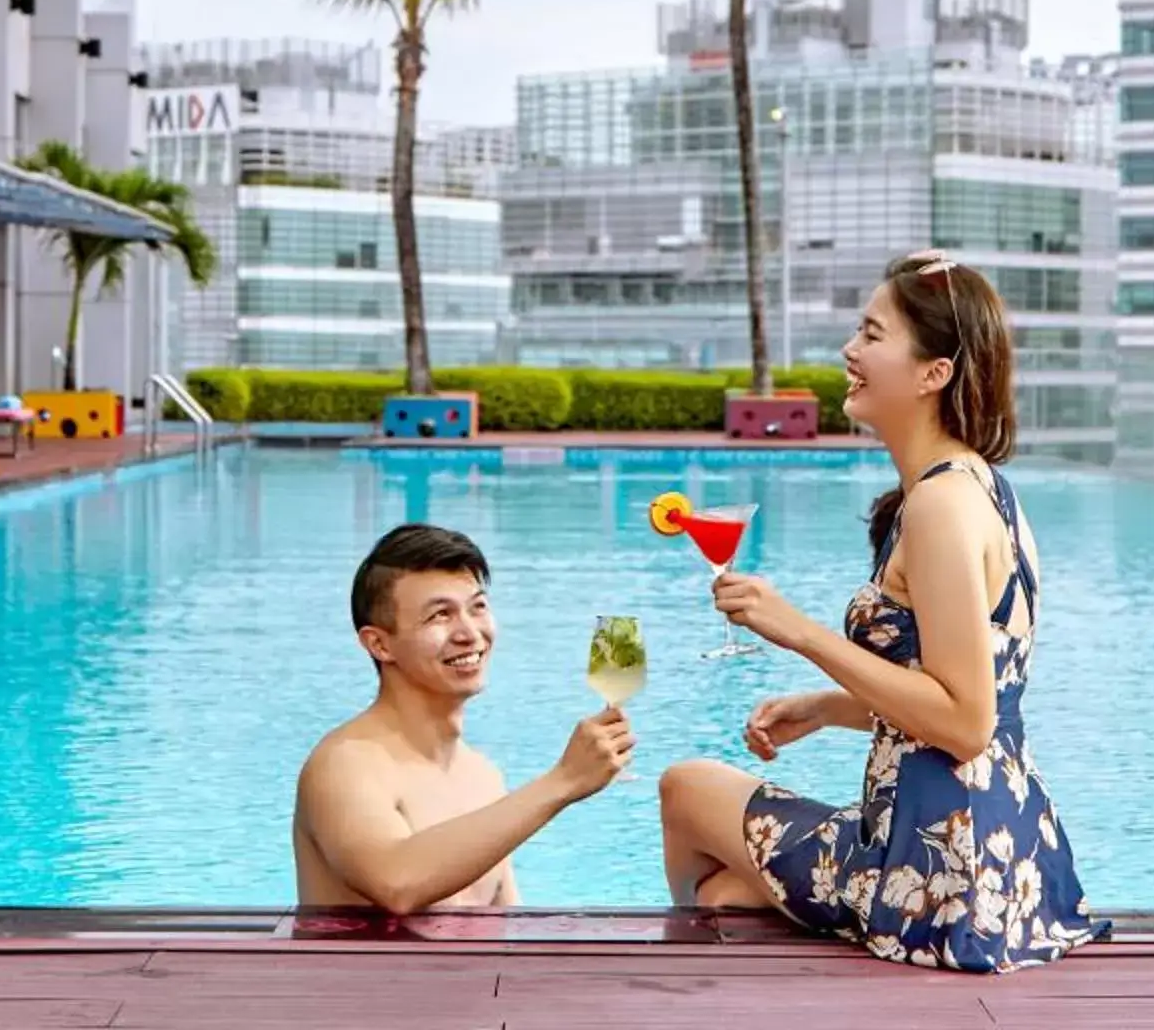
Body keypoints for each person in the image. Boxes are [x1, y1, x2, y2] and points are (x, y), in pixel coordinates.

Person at [655, 251, 1107, 972]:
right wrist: (827, 707)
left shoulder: (940, 506)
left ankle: (687, 963)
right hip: (1005, 850)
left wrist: (797, 631)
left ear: (934, 373)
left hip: (935, 871)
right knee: (728, 885)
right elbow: (966, 691)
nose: (850, 350)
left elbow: (964, 723)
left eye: (871, 334)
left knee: (685, 791)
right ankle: (729, 914)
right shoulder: (983, 489)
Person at [294, 522, 633, 912]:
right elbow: (396, 883)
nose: (469, 633)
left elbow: (510, 924)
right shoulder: (345, 765)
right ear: (379, 644)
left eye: (478, 607)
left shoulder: (482, 776)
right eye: (440, 616)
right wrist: (564, 780)